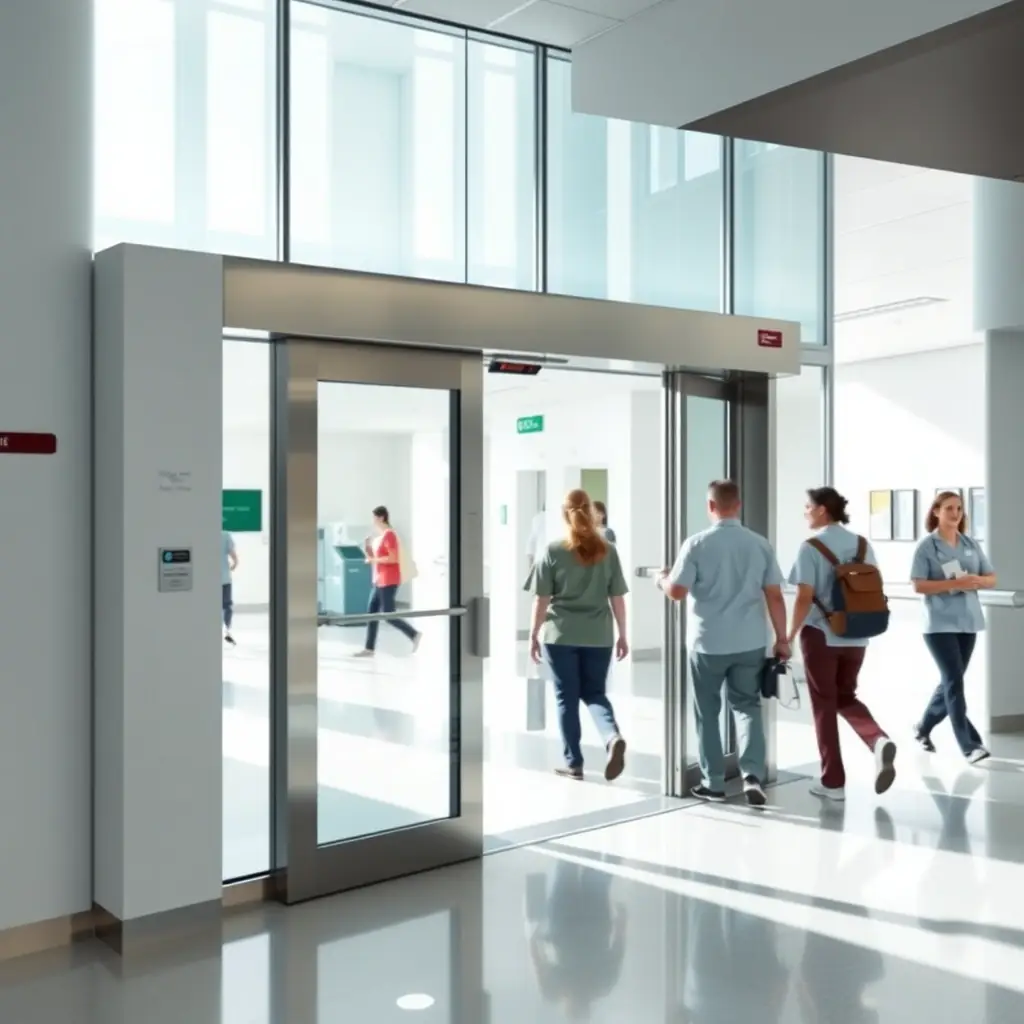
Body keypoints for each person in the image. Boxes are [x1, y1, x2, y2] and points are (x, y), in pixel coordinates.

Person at [658, 479, 787, 807]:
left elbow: (677, 592)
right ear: (738, 505)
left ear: (711, 507)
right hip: (749, 642)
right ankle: (752, 776)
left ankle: (713, 783)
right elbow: (774, 595)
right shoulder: (760, 544)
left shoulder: (697, 544)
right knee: (747, 707)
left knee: (708, 713)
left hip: (707, 643)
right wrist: (783, 639)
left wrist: (662, 579)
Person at [787, 486, 896, 801]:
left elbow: (804, 597)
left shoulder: (810, 547)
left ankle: (832, 782)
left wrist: (789, 636)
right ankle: (876, 739)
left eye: (808, 506)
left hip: (821, 635)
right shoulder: (862, 545)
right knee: (846, 695)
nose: (805, 512)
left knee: (823, 705)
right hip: (858, 634)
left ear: (822, 509)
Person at [528, 488, 629, 781]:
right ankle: (611, 737)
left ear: (564, 514)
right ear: (592, 511)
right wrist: (623, 634)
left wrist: (533, 634)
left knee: (566, 699)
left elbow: (541, 599)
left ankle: (574, 764)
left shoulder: (554, 550)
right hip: (599, 636)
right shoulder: (608, 551)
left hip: (561, 636)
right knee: (595, 693)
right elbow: (617, 598)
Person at [910, 490, 996, 763]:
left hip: (968, 621)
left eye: (959, 508)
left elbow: (991, 577)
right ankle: (969, 746)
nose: (956, 513)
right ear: (936, 512)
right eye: (949, 508)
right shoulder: (927, 547)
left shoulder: (970, 543)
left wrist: (976, 580)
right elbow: (918, 584)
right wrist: (954, 584)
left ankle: (923, 728)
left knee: (951, 681)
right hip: (939, 624)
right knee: (954, 682)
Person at [355, 505, 420, 658]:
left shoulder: (390, 535)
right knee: (371, 613)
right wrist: (368, 547)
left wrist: (374, 559)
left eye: (374, 518)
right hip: (379, 581)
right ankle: (369, 649)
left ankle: (414, 635)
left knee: (388, 615)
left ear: (381, 517)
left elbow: (392, 558)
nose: (373, 521)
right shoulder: (381, 537)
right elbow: (375, 559)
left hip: (388, 580)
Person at [222, 529, 238, 646]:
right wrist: (235, 563)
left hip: (207, 579)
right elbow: (233, 556)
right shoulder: (225, 535)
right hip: (224, 578)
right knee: (227, 605)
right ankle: (226, 630)